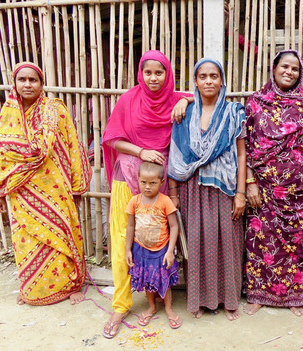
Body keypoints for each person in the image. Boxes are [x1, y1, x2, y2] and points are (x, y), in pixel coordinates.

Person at [102, 50, 190, 339]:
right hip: (126, 179)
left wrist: (185, 100)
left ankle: (161, 296)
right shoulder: (129, 100)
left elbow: (204, 92)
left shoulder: (175, 98)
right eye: (148, 72)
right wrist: (140, 151)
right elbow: (112, 137)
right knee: (122, 241)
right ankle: (121, 304)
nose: (153, 78)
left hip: (161, 183)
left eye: (159, 72)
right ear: (140, 73)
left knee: (159, 240)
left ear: (168, 75)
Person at [0, 62, 92, 306]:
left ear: (41, 83)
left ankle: (69, 287)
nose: (27, 84)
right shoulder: (8, 113)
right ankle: (32, 289)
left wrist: (77, 185)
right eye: (22, 79)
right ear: (15, 84)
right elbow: (3, 155)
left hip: (56, 189)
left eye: (33, 80)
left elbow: (72, 146)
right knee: (28, 240)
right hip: (22, 190)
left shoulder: (55, 110)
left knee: (60, 236)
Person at [243, 50, 303, 317]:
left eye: (294, 69)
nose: (288, 72)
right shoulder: (255, 102)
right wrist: (249, 182)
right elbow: (245, 145)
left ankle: (294, 295)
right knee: (261, 241)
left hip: (301, 190)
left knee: (297, 243)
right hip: (264, 188)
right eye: (284, 67)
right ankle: (258, 294)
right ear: (274, 68)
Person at [168, 58, 247, 320]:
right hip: (192, 189)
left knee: (227, 243)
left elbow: (242, 153)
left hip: (224, 188)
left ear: (222, 80)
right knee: (198, 243)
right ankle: (199, 300)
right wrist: (174, 193)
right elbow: (175, 154)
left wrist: (241, 193)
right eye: (203, 76)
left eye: (214, 76)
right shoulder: (184, 113)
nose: (209, 81)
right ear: (196, 82)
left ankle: (229, 299)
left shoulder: (234, 112)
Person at [124, 162, 182, 329]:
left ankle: (169, 308)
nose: (147, 187)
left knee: (164, 280)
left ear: (162, 182)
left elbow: (174, 226)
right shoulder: (134, 201)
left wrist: (170, 251)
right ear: (138, 180)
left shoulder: (165, 202)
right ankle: (152, 307)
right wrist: (128, 249)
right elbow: (130, 226)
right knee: (148, 281)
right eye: (143, 182)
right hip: (140, 249)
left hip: (161, 250)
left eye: (152, 183)